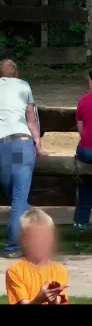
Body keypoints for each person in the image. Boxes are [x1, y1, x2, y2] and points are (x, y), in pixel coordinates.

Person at [0, 59, 48, 258]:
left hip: (0, 146)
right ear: (16, 75)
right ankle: (20, 243)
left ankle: (21, 242)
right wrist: (39, 146)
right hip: (22, 144)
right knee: (19, 199)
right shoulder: (23, 85)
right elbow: (31, 119)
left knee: (17, 197)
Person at [6, 208, 69, 305]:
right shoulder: (15, 271)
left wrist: (53, 299)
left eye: (45, 237)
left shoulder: (60, 270)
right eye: (35, 238)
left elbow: (59, 302)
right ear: (24, 240)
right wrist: (39, 300)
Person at [73, 69, 92, 232]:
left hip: (87, 151)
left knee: (87, 183)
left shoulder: (83, 101)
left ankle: (81, 221)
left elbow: (80, 127)